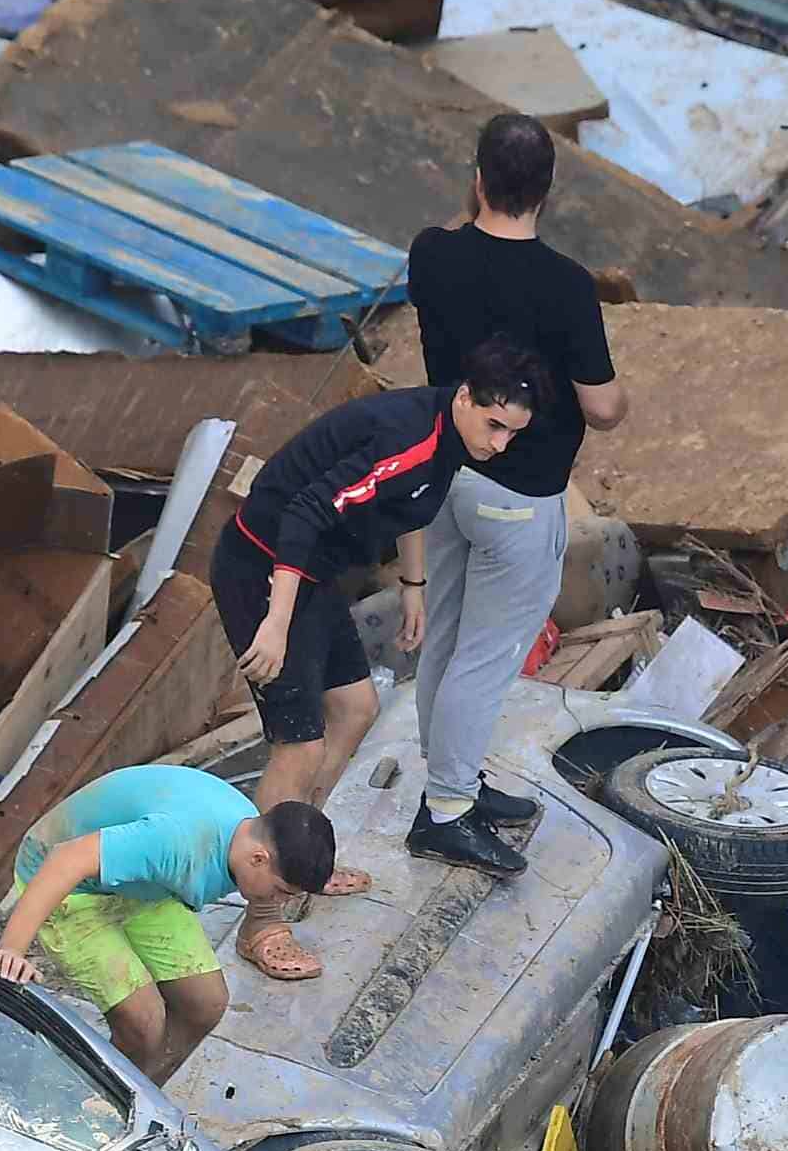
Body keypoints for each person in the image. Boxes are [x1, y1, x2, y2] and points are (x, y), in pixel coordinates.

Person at [209, 344, 554, 981]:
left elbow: (408, 506)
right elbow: (307, 512)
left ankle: (302, 857)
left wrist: (414, 587)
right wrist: (276, 621)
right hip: (265, 567)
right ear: (462, 398)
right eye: (494, 424)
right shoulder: (411, 438)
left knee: (357, 709)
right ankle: (261, 919)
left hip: (315, 578)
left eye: (513, 432)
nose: (501, 443)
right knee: (297, 746)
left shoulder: (449, 440)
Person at [397, 115, 623, 876]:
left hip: (446, 472)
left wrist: (479, 202)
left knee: (450, 637)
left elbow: (465, 242)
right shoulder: (565, 286)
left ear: (477, 179)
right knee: (486, 659)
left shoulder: (432, 254)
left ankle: (449, 781)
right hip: (518, 495)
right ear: (548, 193)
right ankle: (448, 808)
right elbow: (602, 406)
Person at [0, 765, 335, 1081]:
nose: (280, 903)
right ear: (259, 859)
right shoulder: (175, 842)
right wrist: (12, 949)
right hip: (73, 887)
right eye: (280, 891)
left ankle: (144, 1091)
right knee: (143, 1023)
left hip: (143, 886)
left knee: (206, 1005)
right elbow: (66, 860)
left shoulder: (243, 837)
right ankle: (85, 1111)